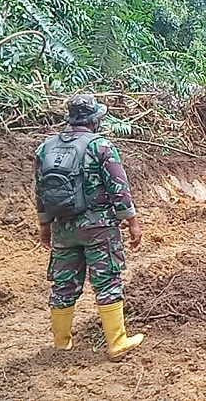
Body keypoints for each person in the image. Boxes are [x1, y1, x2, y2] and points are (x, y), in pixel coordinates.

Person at [35, 94, 145, 361]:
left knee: (63, 283)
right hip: (98, 227)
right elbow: (119, 188)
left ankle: (61, 344)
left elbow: (41, 190)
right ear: (96, 119)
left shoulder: (46, 148)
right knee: (107, 280)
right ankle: (117, 342)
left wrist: (44, 226)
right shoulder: (102, 147)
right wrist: (132, 222)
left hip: (63, 227)